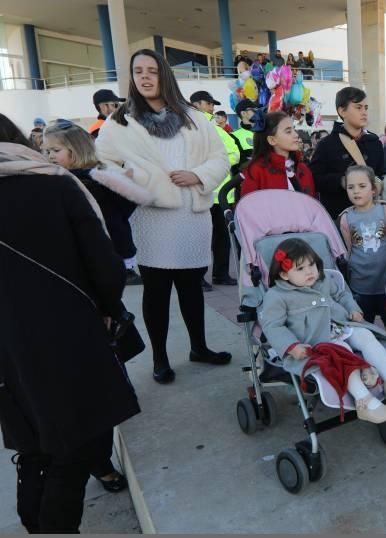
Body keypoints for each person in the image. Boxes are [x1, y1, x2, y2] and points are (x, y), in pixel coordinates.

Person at [0, 114, 140, 533]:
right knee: (77, 443)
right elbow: (104, 266)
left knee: (31, 440)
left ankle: (33, 522)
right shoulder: (53, 183)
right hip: (67, 335)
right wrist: (110, 308)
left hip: (7, 348)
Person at [95, 49, 231, 385]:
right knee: (156, 290)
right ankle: (160, 358)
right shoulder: (121, 120)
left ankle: (199, 347)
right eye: (137, 71)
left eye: (151, 70)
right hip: (149, 216)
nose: (144, 76)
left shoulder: (193, 117)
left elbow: (220, 158)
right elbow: (104, 165)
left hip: (191, 213)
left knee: (191, 288)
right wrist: (138, 180)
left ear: (164, 75)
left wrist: (197, 174)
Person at [259, 238, 386, 423]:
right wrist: (291, 346)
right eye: (300, 269)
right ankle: (364, 400)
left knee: (366, 335)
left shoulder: (322, 280)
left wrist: (353, 308)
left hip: (341, 326)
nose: (310, 271)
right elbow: (273, 325)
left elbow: (342, 294)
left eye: (312, 265)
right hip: (315, 340)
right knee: (342, 354)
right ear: (284, 275)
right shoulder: (277, 296)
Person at [42, 119, 145, 287]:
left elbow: (124, 208)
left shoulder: (94, 180)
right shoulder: (56, 178)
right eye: (46, 151)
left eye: (55, 150)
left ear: (78, 150)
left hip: (102, 252)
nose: (50, 156)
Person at [190, 90, 241, 289]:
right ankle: (216, 274)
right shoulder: (207, 127)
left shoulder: (197, 126)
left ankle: (206, 276)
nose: (212, 108)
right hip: (215, 192)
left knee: (206, 238)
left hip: (207, 191)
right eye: (209, 103)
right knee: (217, 238)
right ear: (197, 104)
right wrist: (216, 166)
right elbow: (233, 153)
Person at [310, 87, 385, 217]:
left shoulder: (374, 143)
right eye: (358, 107)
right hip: (339, 217)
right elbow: (315, 179)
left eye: (366, 108)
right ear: (342, 111)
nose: (364, 112)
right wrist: (341, 180)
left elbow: (381, 174)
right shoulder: (327, 145)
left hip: (372, 216)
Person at [338, 165, 386, 328]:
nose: (356, 191)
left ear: (373, 189)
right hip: (360, 285)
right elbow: (347, 251)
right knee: (365, 326)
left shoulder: (385, 211)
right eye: (351, 187)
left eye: (362, 186)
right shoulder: (345, 218)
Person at [240, 110, 315, 198]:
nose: (296, 135)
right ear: (272, 140)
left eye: (294, 129)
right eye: (288, 131)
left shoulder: (303, 168)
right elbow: (247, 208)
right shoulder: (256, 170)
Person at [231, 99, 258, 163]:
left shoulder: (266, 131)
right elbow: (236, 165)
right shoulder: (234, 136)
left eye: (257, 109)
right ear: (243, 113)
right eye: (254, 110)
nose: (258, 112)